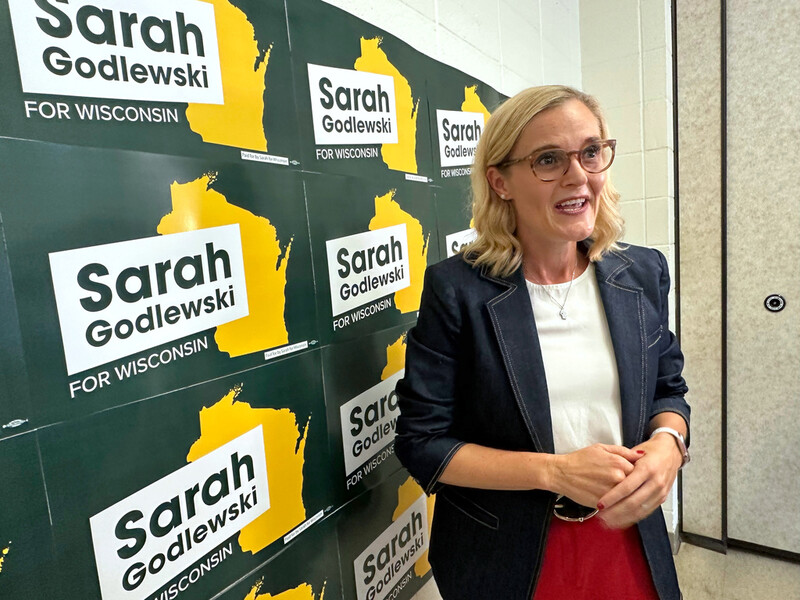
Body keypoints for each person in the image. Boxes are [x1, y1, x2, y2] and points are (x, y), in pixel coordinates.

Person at [395, 85, 690, 600]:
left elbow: (669, 388)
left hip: (626, 538)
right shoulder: (456, 290)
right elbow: (424, 444)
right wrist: (554, 472)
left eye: (591, 152)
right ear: (500, 181)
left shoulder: (641, 272)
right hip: (505, 553)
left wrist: (670, 444)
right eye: (549, 159)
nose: (579, 176)